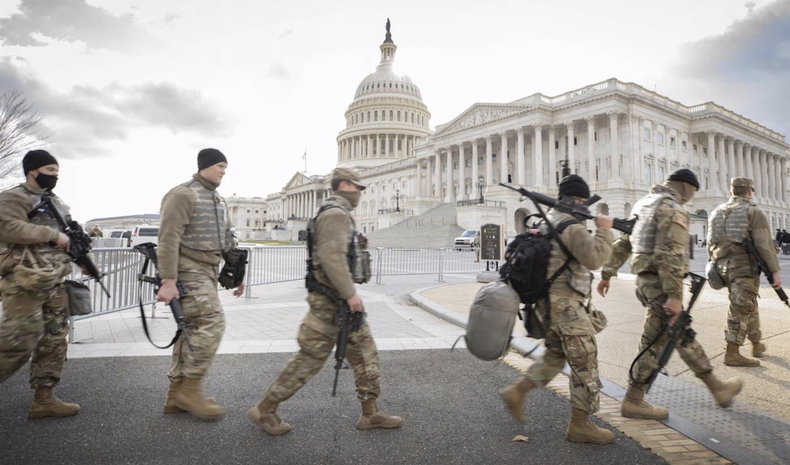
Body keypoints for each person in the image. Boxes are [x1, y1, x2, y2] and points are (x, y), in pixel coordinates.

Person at [247, 167, 401, 435]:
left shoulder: (338, 214)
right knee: (310, 358)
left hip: (340, 301)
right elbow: (331, 258)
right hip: (330, 302)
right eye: (357, 187)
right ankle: (265, 409)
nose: (361, 193)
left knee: (365, 353)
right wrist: (349, 293)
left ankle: (370, 413)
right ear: (344, 186)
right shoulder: (334, 215)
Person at [597, 169, 742, 420]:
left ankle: (717, 388)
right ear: (687, 187)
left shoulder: (646, 203)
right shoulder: (672, 208)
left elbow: (625, 241)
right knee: (654, 342)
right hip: (661, 283)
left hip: (646, 280)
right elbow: (671, 254)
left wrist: (607, 271)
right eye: (692, 192)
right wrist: (675, 296)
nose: (691, 198)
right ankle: (633, 399)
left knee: (679, 333)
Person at [500, 174, 616, 445]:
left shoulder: (548, 221)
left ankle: (518, 392)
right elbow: (595, 258)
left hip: (547, 306)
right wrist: (604, 229)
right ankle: (580, 424)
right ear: (578, 199)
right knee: (585, 362)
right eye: (584, 200)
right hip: (566, 309)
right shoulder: (572, 227)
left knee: (556, 354)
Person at [156, 148, 245, 420]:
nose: (223, 171)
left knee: (191, 330)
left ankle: (175, 396)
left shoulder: (218, 199)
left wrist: (238, 275)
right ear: (205, 166)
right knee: (212, 323)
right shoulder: (183, 194)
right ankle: (191, 390)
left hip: (208, 270)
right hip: (187, 269)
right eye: (219, 166)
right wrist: (168, 281)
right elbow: (168, 239)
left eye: (225, 167)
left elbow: (227, 239)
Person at [0, 150, 80, 419]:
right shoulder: (13, 197)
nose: (55, 175)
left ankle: (44, 398)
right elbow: (5, 226)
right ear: (32, 170)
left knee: (54, 340)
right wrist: (50, 234)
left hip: (54, 281)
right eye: (49, 170)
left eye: (57, 171)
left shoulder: (56, 201)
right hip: (24, 281)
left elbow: (67, 235)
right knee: (20, 339)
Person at [708, 177, 780, 366]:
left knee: (748, 302)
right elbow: (764, 245)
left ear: (731, 192)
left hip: (722, 267)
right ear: (750, 192)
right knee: (739, 308)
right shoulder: (753, 211)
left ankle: (756, 343)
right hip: (743, 268)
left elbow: (710, 243)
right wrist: (774, 271)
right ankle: (732, 352)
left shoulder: (716, 211)